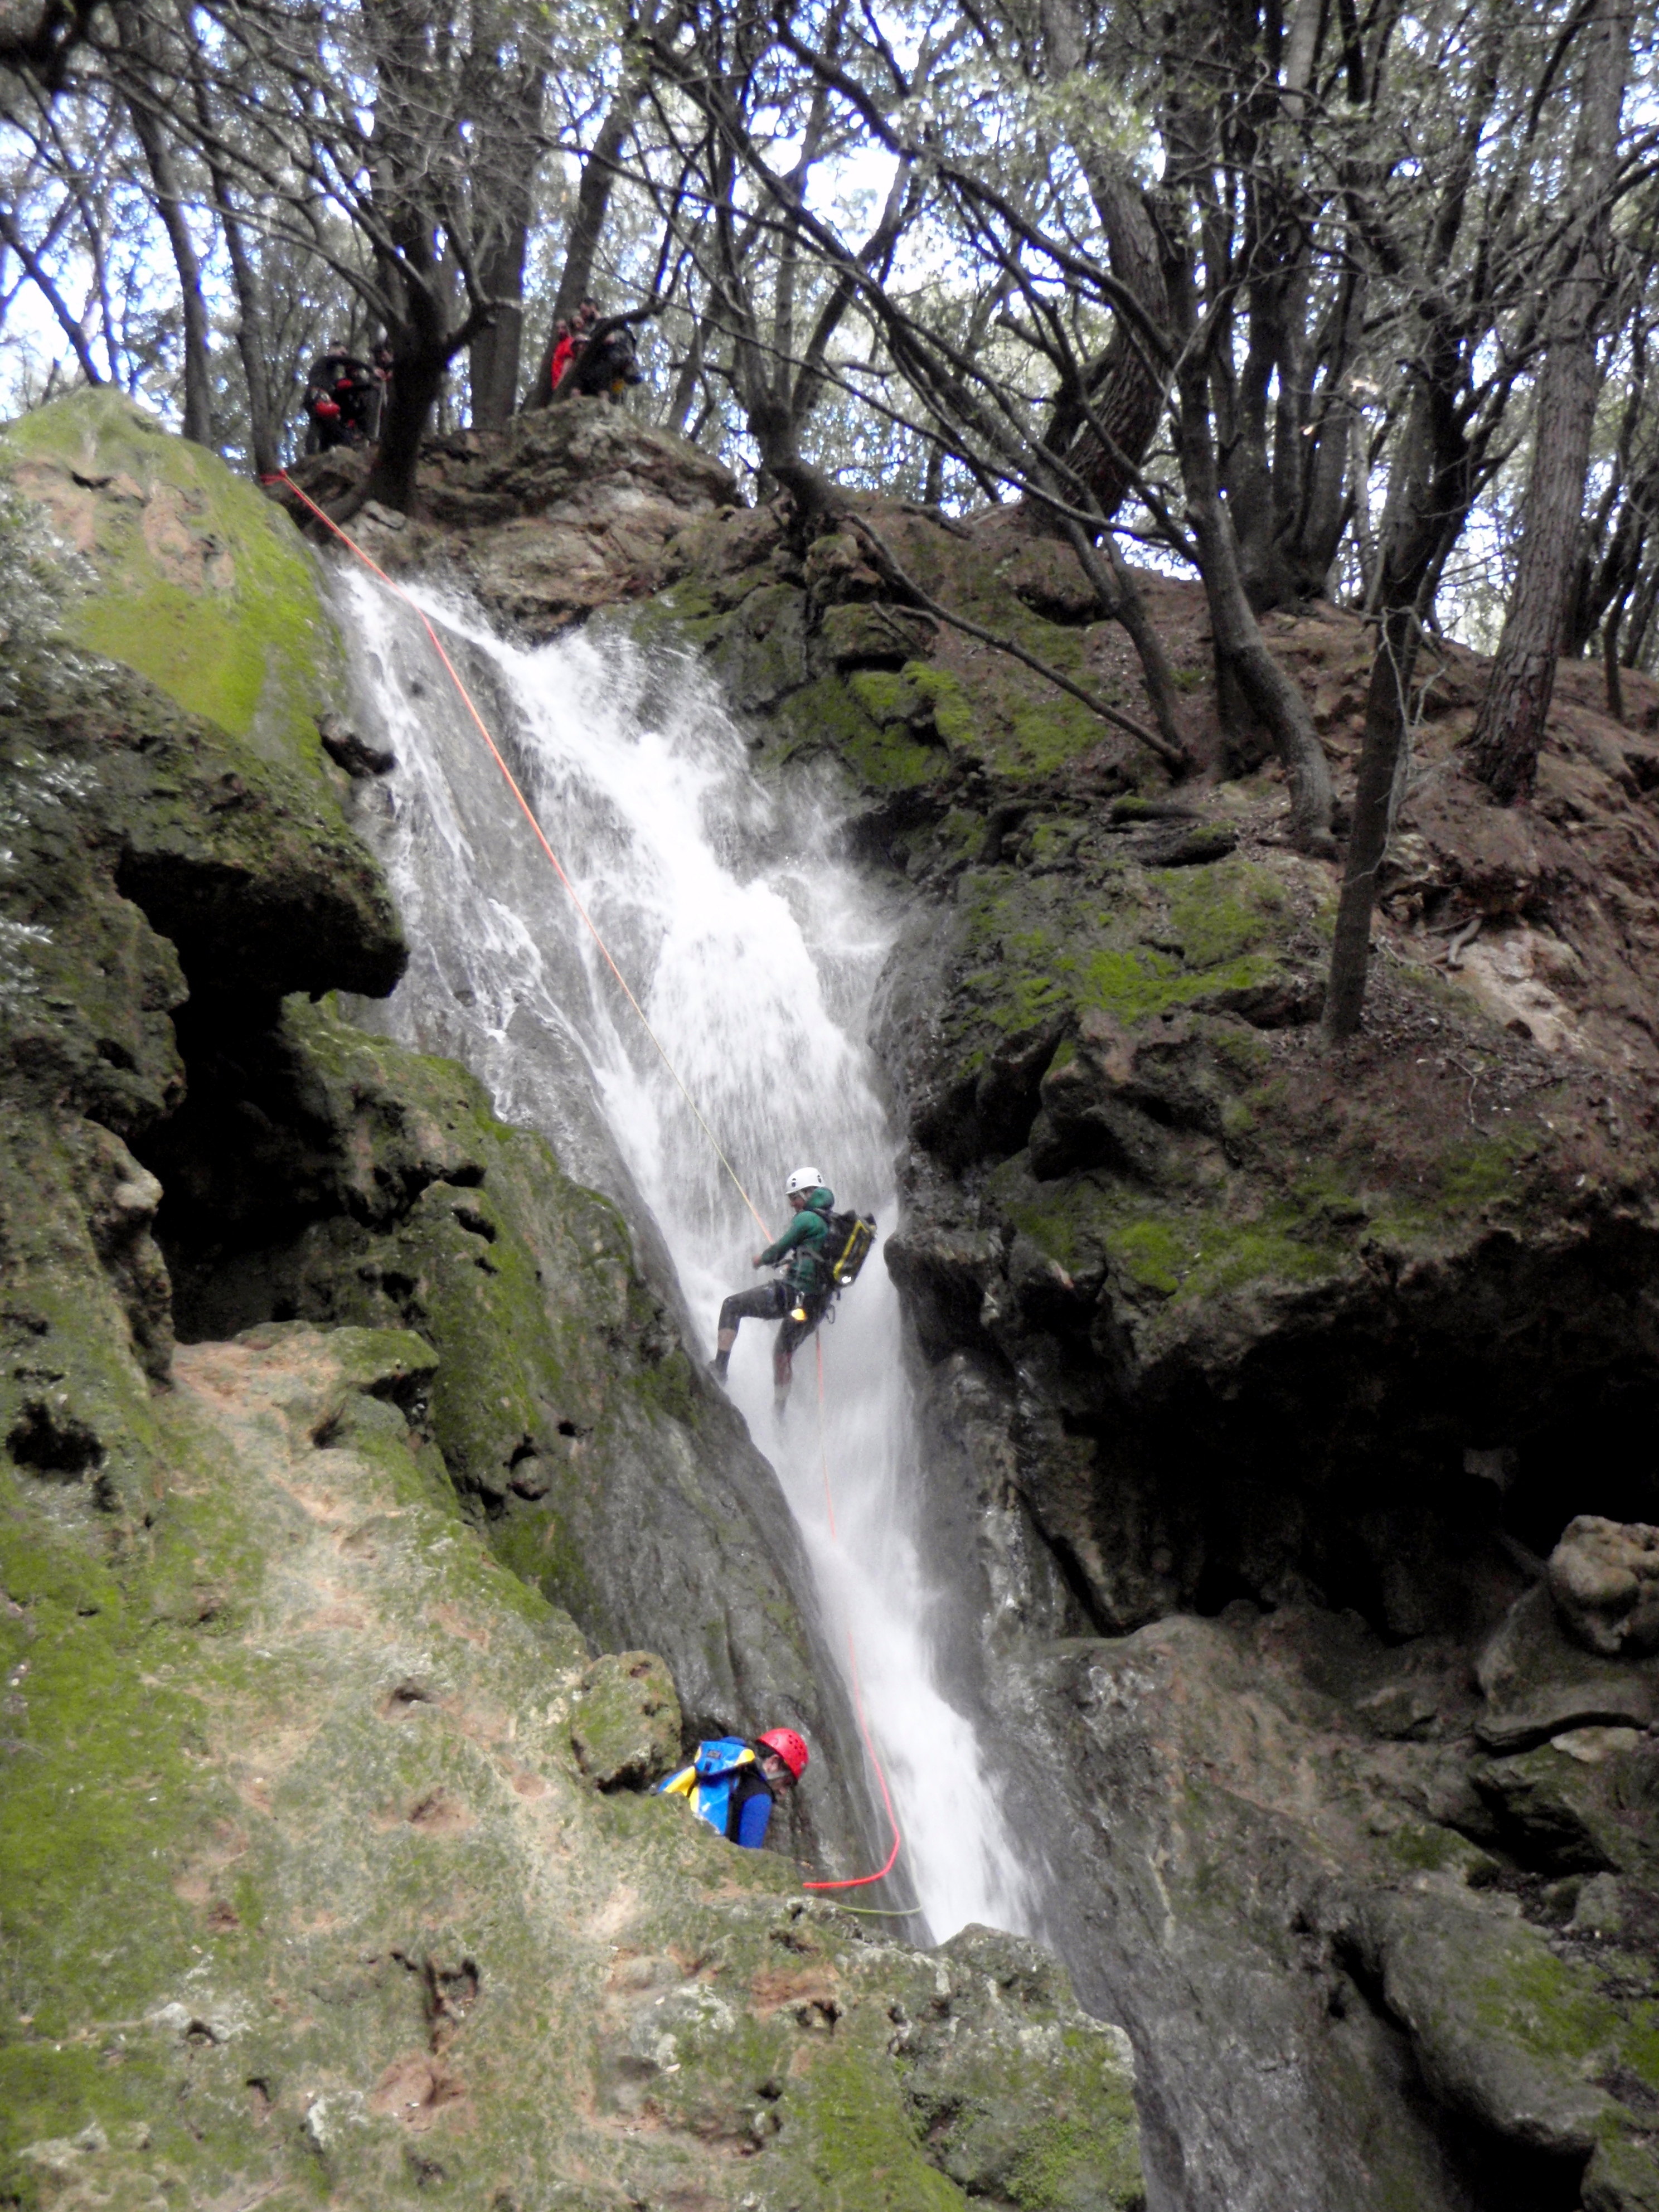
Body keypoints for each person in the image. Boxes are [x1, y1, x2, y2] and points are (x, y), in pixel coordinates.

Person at [711, 1166, 836, 1414]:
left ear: (809, 1192)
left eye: (795, 1197)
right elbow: (817, 1257)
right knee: (782, 1352)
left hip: (791, 1296)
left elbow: (779, 1249)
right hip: (817, 1306)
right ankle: (779, 1413)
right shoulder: (832, 1222)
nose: (792, 1204)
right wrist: (797, 1263)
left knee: (732, 1306)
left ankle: (719, 1370)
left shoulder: (806, 1218)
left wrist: (761, 1260)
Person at [654, 1728, 809, 1848]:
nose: (783, 1792)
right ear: (773, 1763)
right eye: (786, 1782)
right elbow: (750, 1861)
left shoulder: (711, 1764)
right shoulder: (760, 1797)